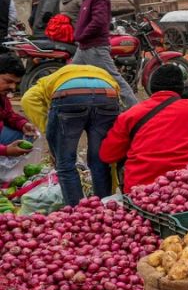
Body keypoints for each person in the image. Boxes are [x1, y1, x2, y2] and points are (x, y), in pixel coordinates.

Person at [100, 64, 188, 192]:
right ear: (181, 89)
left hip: (141, 190)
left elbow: (108, 155)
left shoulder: (129, 115)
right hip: (187, 186)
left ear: (151, 88)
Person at [21, 64, 121, 205]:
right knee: (100, 161)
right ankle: (105, 208)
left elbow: (27, 99)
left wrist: (50, 129)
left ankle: (78, 212)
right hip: (107, 95)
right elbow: (118, 99)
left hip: (68, 96)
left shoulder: (45, 82)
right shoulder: (101, 72)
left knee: (65, 164)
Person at [67, 0, 138, 108]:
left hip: (95, 48)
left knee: (114, 80)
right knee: (70, 76)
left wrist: (81, 35)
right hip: (85, 47)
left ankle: (135, 109)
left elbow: (98, 22)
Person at [0, 54, 37, 156]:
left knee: (26, 136)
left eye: (16, 83)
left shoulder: (2, 96)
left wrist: (23, 124)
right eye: (8, 81)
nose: (13, 87)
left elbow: (8, 115)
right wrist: (5, 150)